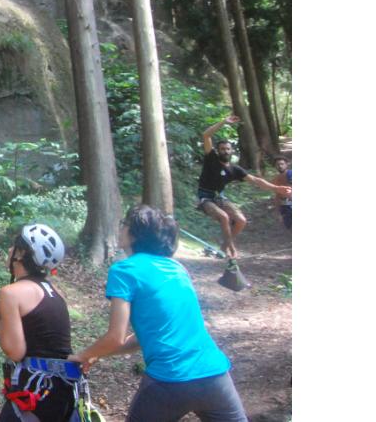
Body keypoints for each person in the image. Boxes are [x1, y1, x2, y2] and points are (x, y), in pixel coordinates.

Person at [70, 205, 247, 422]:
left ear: (134, 233)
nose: (120, 229)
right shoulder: (177, 268)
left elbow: (115, 337)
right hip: (214, 375)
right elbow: (147, 337)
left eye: (123, 224)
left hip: (169, 379)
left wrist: (82, 355)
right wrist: (99, 353)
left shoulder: (124, 270)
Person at [0, 224, 76, 422]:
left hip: (35, 393)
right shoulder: (56, 292)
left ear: (22, 253)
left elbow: (15, 351)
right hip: (64, 393)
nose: (9, 250)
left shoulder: (11, 292)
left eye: (14, 246)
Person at [197, 115, 291, 257]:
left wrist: (276, 188)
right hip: (205, 197)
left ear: (231, 151)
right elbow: (206, 135)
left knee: (241, 221)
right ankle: (230, 249)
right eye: (222, 149)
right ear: (218, 150)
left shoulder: (235, 169)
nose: (225, 151)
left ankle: (223, 248)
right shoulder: (211, 158)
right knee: (224, 217)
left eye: (228, 149)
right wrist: (223, 122)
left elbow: (256, 180)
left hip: (220, 198)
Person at [270, 154, 292, 230]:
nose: (280, 166)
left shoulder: (291, 174)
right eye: (277, 164)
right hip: (284, 206)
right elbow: (277, 196)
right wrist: (278, 212)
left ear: (287, 164)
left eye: (282, 164)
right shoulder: (275, 179)